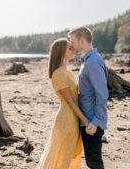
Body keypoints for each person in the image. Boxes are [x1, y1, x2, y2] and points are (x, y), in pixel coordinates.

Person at [37, 38, 90, 169]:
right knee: (62, 156)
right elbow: (70, 102)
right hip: (66, 120)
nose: (73, 50)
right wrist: (86, 121)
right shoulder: (58, 74)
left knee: (69, 154)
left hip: (73, 118)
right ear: (61, 51)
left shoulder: (68, 70)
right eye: (69, 48)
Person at [69, 26, 108, 169]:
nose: (70, 45)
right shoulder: (88, 60)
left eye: (72, 41)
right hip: (88, 121)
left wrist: (95, 122)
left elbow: (102, 95)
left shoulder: (93, 63)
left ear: (82, 41)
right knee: (92, 161)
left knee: (94, 162)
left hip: (92, 122)